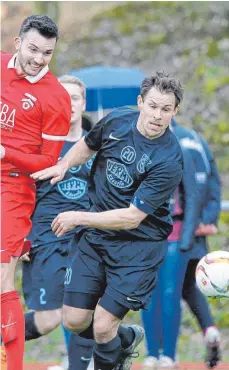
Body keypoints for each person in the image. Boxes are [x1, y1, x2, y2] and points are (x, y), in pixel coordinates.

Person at [31, 71, 184, 370]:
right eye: (152, 105)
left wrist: (79, 217)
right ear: (140, 102)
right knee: (74, 320)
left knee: (102, 326)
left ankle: (111, 349)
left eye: (166, 109)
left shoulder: (169, 159)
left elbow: (131, 217)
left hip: (137, 248)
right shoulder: (117, 121)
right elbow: (88, 144)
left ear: (174, 111)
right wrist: (63, 165)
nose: (157, 115)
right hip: (96, 239)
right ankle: (124, 339)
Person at [0, 15, 71, 370]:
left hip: (12, 188)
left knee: (1, 282)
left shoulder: (56, 97)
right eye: (33, 49)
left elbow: (48, 163)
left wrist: (6, 153)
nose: (39, 58)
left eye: (47, 52)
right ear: (17, 43)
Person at [21, 75, 94, 370]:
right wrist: (20, 236)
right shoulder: (38, 145)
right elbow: (19, 194)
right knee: (50, 318)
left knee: (82, 312)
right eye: (63, 97)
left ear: (83, 103)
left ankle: (79, 365)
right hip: (45, 242)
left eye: (74, 98)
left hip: (87, 243)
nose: (69, 103)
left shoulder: (96, 146)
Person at [141, 119, 221, 370]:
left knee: (171, 291)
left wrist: (200, 221)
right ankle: (159, 351)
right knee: (166, 291)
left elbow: (197, 188)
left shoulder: (183, 142)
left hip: (179, 231)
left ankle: (167, 354)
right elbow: (213, 179)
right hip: (157, 232)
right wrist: (208, 218)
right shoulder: (140, 148)